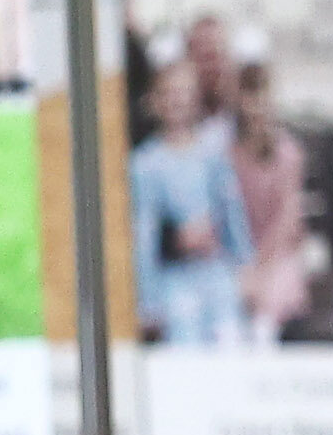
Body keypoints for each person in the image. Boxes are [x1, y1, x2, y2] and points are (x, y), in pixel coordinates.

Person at [132, 45, 252, 349]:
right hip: (173, 275)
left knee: (229, 333)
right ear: (155, 101)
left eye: (185, 93)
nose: (177, 101)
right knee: (184, 331)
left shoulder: (211, 153)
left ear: (196, 99)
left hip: (215, 267)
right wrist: (148, 303)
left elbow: (231, 209)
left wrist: (245, 263)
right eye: (169, 93)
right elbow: (143, 233)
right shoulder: (146, 163)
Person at [228, 56, 312, 340]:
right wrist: (246, 264)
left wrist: (262, 265)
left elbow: (287, 220)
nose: (255, 107)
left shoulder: (287, 153)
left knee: (268, 301)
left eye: (261, 96)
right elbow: (228, 216)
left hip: (279, 255)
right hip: (238, 256)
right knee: (232, 297)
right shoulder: (229, 154)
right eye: (248, 97)